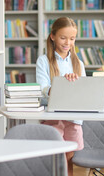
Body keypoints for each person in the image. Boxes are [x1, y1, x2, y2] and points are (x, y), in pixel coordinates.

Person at [36, 17, 85, 176]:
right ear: (53, 36)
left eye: (72, 38)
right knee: (57, 156)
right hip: (52, 117)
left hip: (74, 118)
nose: (67, 42)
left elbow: (84, 91)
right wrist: (62, 84)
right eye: (63, 38)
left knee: (69, 157)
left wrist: (74, 85)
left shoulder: (78, 63)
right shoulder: (44, 61)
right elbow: (43, 89)